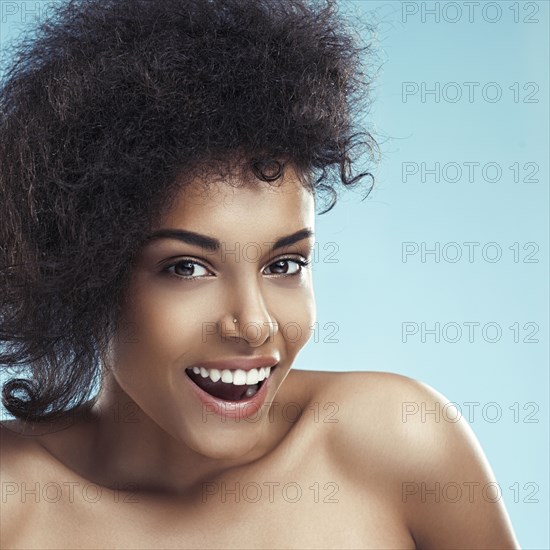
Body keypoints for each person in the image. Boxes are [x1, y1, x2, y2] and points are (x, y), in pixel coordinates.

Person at [0, 0, 520, 548]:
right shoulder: (13, 499)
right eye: (187, 267)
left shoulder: (397, 445)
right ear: (82, 274)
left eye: (284, 264)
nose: (253, 325)